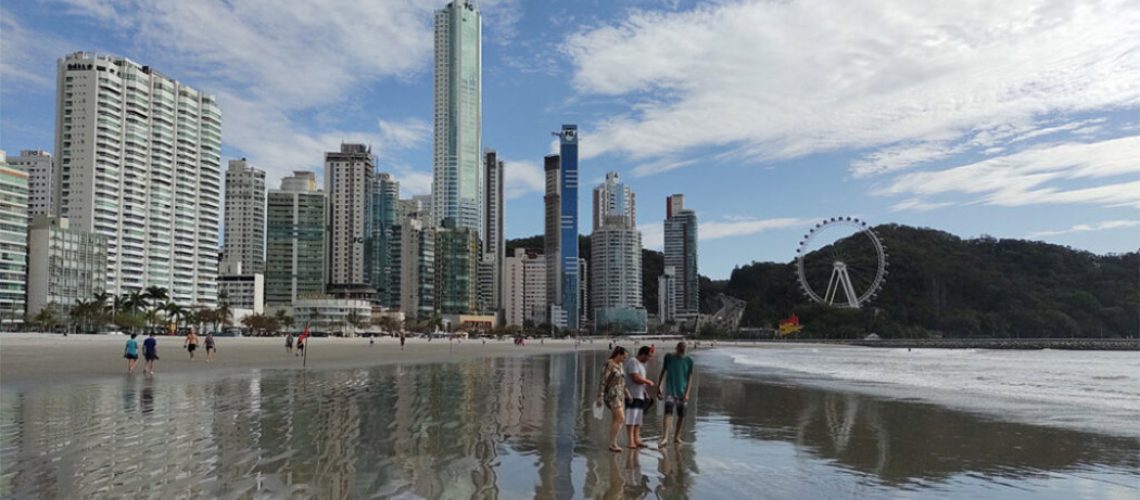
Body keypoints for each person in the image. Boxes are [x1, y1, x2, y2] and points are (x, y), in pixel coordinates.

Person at [657, 341, 695, 447]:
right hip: (670, 390)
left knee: (681, 415)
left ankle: (677, 437)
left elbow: (690, 378)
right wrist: (658, 386)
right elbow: (663, 371)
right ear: (676, 349)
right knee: (668, 413)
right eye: (680, 350)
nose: (681, 353)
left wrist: (687, 393)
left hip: (682, 392)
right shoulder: (668, 357)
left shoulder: (689, 360)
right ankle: (665, 437)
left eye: (683, 351)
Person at [597, 346, 629, 453]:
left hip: (620, 394)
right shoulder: (609, 364)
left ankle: (613, 443)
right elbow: (603, 381)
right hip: (612, 394)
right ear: (618, 355)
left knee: (616, 419)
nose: (624, 359)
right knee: (621, 418)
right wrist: (600, 396)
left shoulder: (620, 365)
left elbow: (622, 381)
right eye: (623, 357)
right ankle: (613, 443)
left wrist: (627, 393)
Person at [624, 346, 655, 449]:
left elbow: (640, 380)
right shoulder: (633, 361)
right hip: (632, 395)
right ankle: (631, 441)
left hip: (640, 394)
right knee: (631, 418)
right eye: (649, 356)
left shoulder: (641, 365)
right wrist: (648, 381)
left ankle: (637, 439)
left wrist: (645, 391)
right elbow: (635, 378)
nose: (649, 359)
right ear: (643, 354)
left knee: (638, 419)